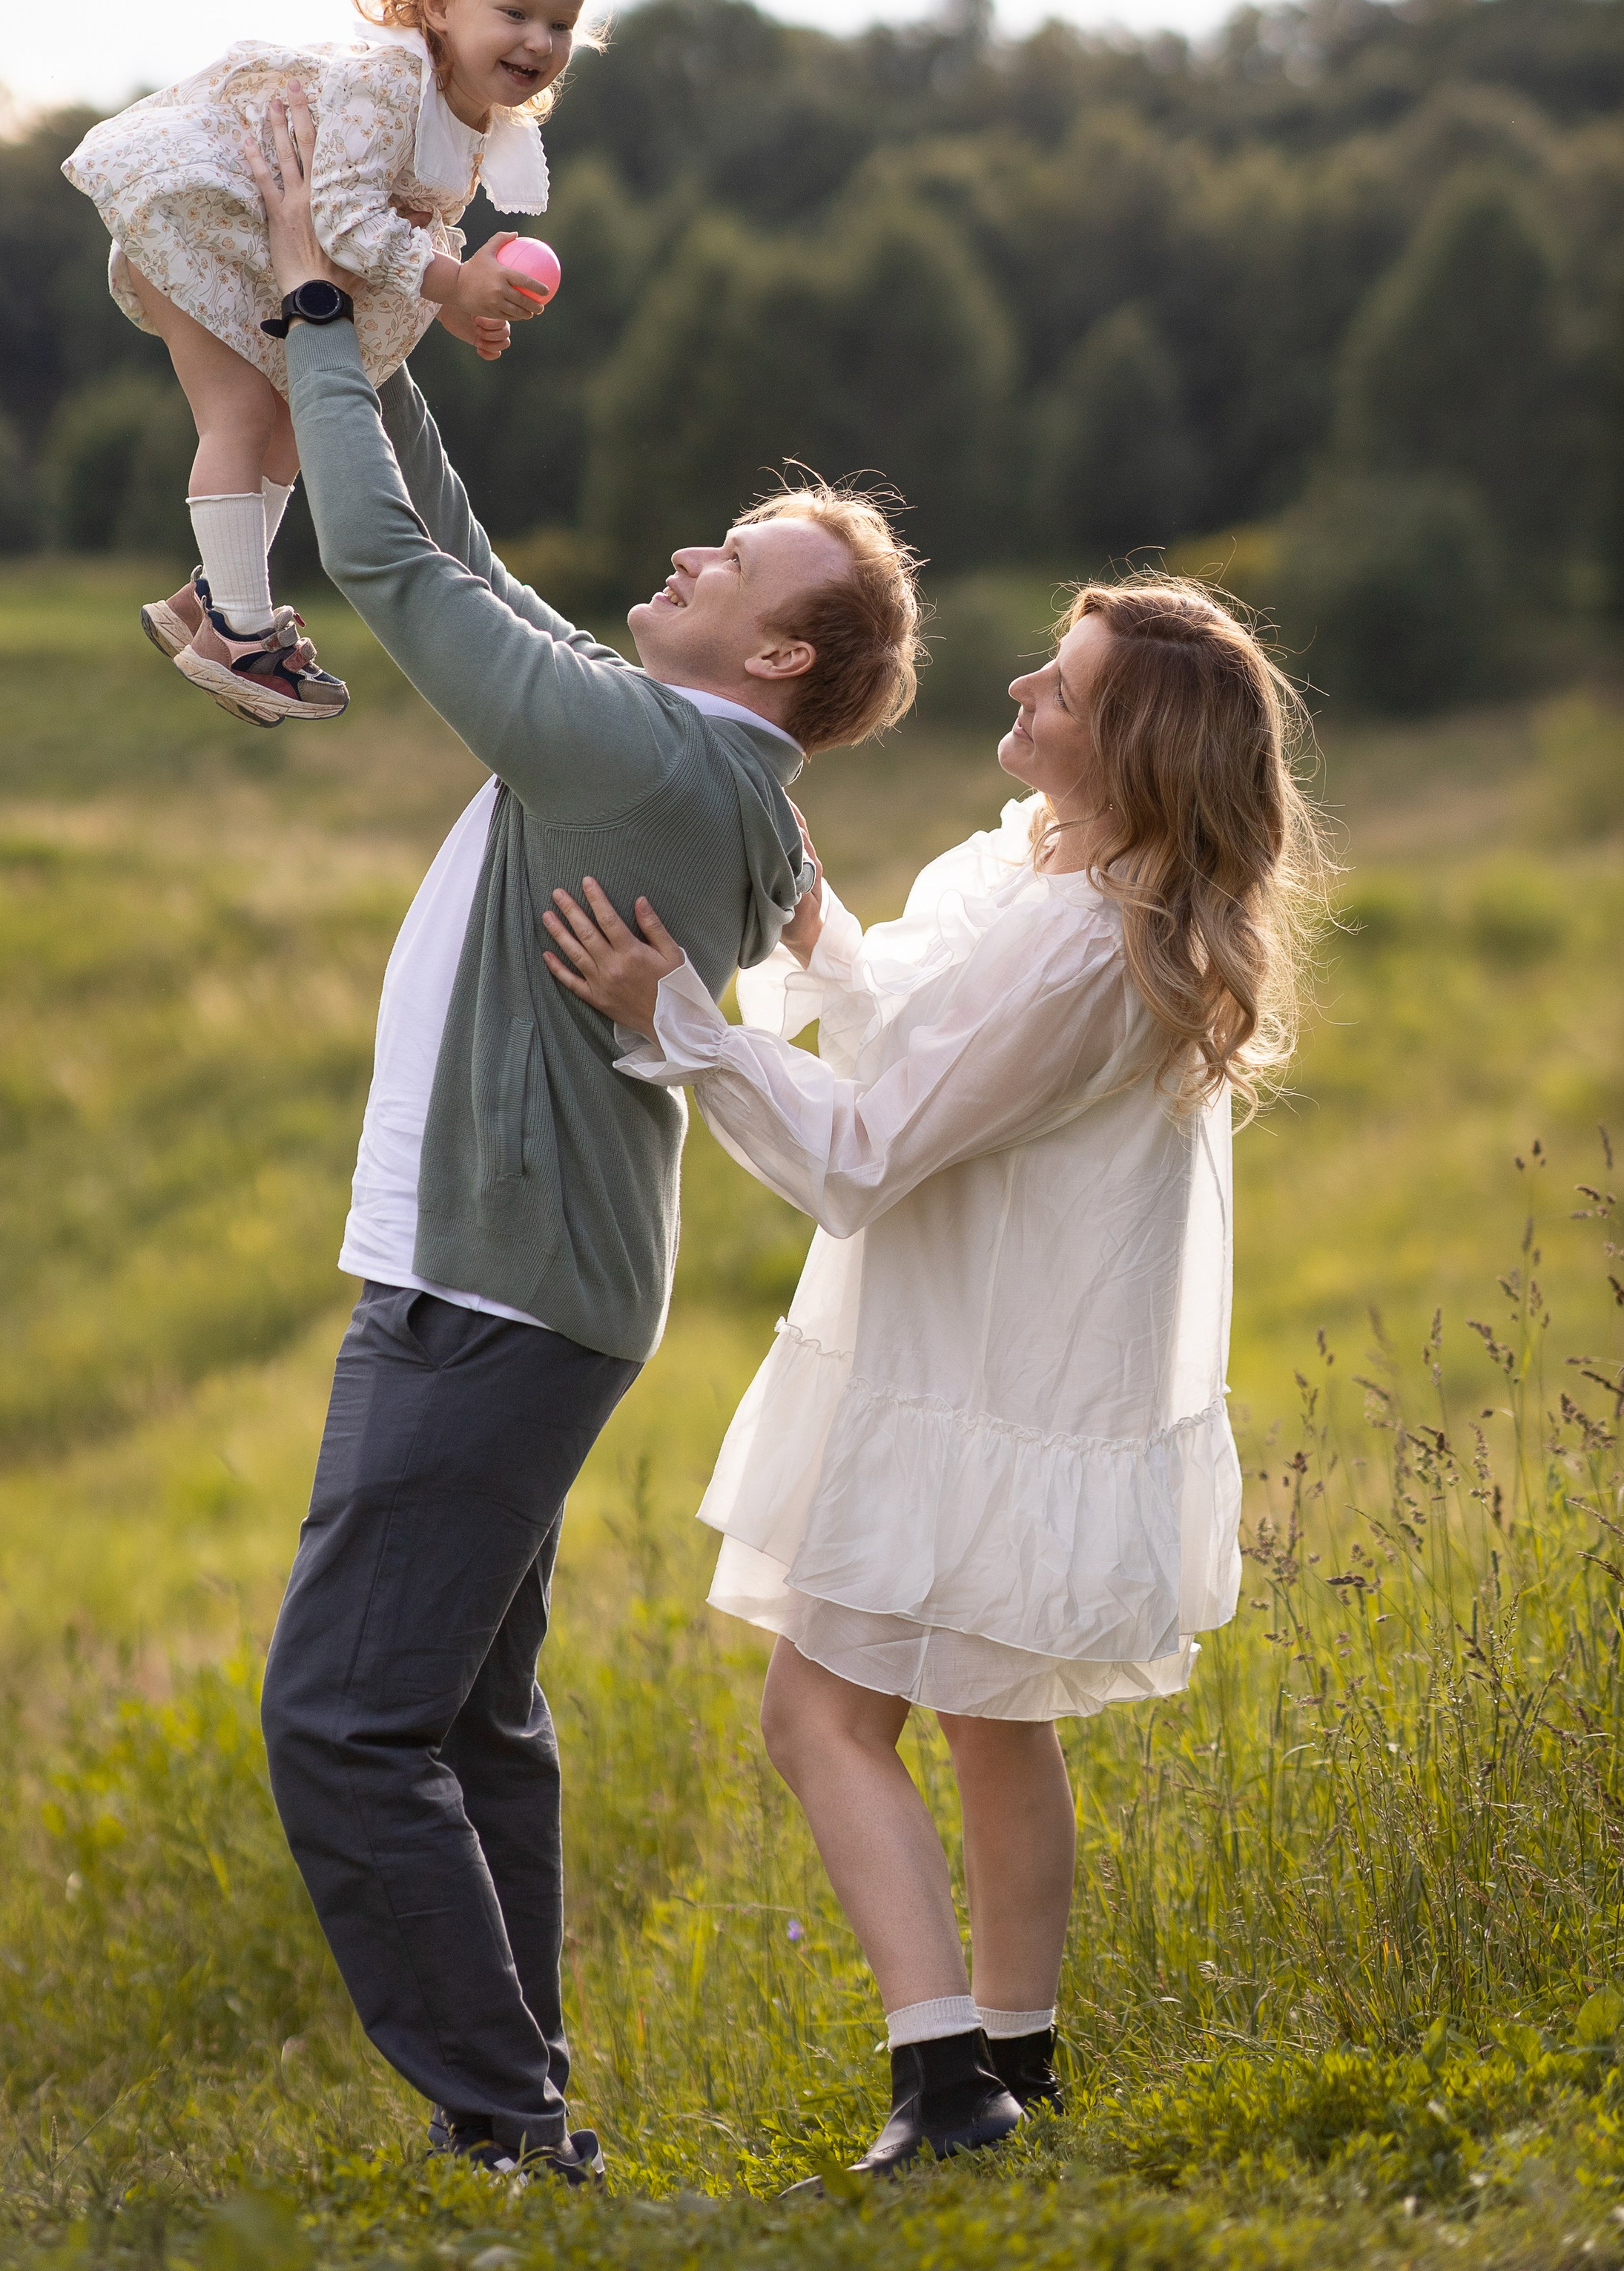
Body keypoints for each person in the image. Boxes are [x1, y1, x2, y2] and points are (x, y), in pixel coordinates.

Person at [240, 87, 924, 2184]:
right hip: (540, 1294)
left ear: (777, 653)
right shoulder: (682, 750)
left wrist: (293, 298)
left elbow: (368, 559)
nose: (694, 550)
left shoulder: (643, 759)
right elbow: (449, 547)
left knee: (345, 1718)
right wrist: (368, 302)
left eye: (743, 561)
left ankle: (506, 2129)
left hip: (484, 1297)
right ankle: (526, 2124)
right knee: (462, 1717)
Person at [541, 579, 1330, 2175]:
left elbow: (871, 1148)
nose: (1025, 684)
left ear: (1125, 753)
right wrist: (821, 935)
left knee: (814, 1716)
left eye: (1065, 684)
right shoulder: (1042, 875)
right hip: (993, 1364)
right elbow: (914, 1033)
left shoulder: (1085, 941)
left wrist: (675, 1020)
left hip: (974, 1370)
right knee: (987, 1716)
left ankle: (941, 2080)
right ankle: (1017, 2066)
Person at [62, 0, 584, 725]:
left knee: (293, 430)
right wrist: (448, 278)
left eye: (559, 25)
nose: (539, 41)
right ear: (437, 7)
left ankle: (207, 600)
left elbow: (406, 228)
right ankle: (241, 632)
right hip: (206, 223)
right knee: (239, 414)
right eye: (515, 14)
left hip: (261, 253)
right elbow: (341, 217)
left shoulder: (472, 119)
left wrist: (457, 300)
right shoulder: (391, 85)